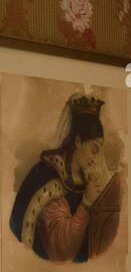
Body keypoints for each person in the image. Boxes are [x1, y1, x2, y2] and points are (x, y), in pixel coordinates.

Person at [9, 93, 121, 262]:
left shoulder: (86, 180)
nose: (96, 158)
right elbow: (62, 246)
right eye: (94, 149)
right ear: (78, 141)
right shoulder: (45, 175)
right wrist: (86, 203)